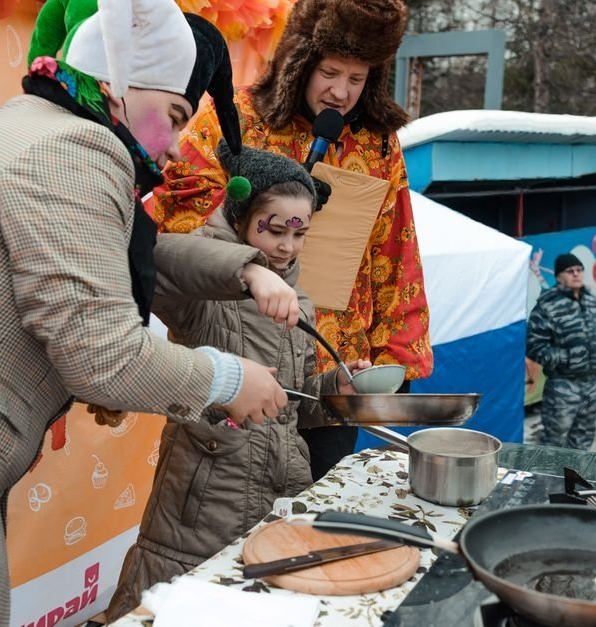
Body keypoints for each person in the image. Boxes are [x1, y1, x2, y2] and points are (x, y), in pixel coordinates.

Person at [0, 3, 291, 624]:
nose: (176, 145)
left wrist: (242, 271)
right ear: (120, 88)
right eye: (175, 115)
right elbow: (104, 356)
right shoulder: (77, 146)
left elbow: (125, 264)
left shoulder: (35, 125)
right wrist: (229, 378)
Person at [150, 0, 433, 480]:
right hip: (243, 349)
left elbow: (395, 248)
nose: (340, 92)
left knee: (314, 516)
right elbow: (177, 213)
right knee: (228, 505)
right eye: (329, 72)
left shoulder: (378, 145)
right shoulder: (236, 115)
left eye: (357, 79)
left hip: (332, 366)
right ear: (301, 59)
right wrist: (257, 214)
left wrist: (396, 358)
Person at [106, 141, 372, 619]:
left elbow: (291, 402)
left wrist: (334, 389)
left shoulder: (300, 300)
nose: (287, 246)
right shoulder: (207, 293)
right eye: (273, 230)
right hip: (205, 504)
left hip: (281, 491)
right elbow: (153, 257)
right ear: (240, 218)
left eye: (300, 233)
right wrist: (248, 271)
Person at [526, 253, 596, 450]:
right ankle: (548, 481)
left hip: (591, 383)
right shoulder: (548, 305)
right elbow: (535, 346)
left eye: (579, 270)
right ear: (558, 276)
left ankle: (575, 480)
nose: (576, 274)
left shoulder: (590, 300)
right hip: (563, 386)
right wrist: (567, 359)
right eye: (570, 271)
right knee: (553, 442)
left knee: (583, 439)